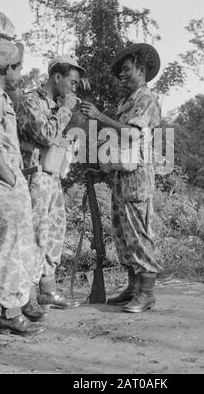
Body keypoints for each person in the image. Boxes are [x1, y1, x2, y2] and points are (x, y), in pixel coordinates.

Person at [80, 43, 163, 313]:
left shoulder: (147, 100)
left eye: (127, 70)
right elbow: (120, 145)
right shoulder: (126, 103)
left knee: (139, 234)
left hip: (137, 179)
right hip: (120, 178)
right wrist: (103, 170)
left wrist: (99, 116)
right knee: (123, 235)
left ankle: (147, 293)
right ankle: (133, 288)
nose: (123, 75)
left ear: (142, 70)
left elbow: (132, 135)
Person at [0, 39, 44, 335]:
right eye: (19, 67)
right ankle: (12, 314)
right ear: (8, 68)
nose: (21, 73)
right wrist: (13, 180)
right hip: (1, 180)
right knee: (13, 245)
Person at [16, 56, 86, 319]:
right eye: (72, 81)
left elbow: (55, 137)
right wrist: (66, 109)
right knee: (35, 235)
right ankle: (28, 296)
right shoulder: (30, 101)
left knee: (55, 230)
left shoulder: (54, 105)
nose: (74, 88)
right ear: (57, 77)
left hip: (51, 176)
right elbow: (44, 135)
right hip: (33, 177)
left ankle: (47, 289)